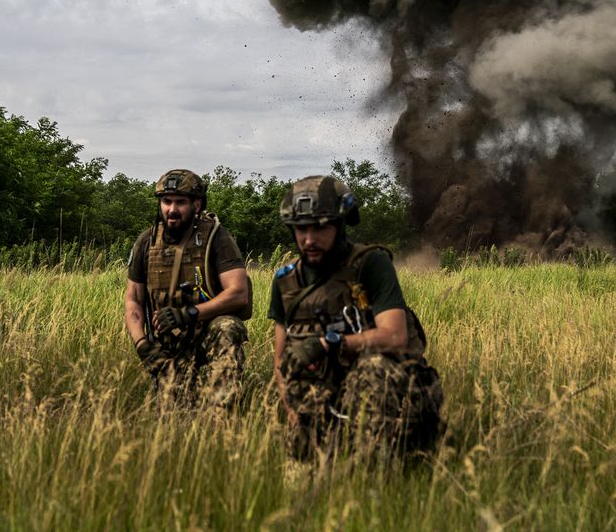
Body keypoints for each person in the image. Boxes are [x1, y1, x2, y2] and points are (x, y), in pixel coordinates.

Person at [269, 175, 442, 458]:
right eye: (301, 229)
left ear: (340, 225)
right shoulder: (285, 281)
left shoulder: (370, 265)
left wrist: (330, 344)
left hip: (383, 392)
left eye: (319, 228)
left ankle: (375, 472)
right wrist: (292, 411)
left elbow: (395, 336)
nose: (309, 239)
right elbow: (280, 360)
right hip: (320, 392)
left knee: (373, 369)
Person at [124, 169, 251, 407]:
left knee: (227, 327)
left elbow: (238, 293)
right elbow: (133, 298)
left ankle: (221, 413)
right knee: (173, 415)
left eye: (180, 202)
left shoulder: (216, 237)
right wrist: (142, 345)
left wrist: (189, 314)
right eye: (166, 201)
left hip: (205, 333)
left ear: (197, 204)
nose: (172, 209)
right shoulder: (147, 241)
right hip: (168, 343)